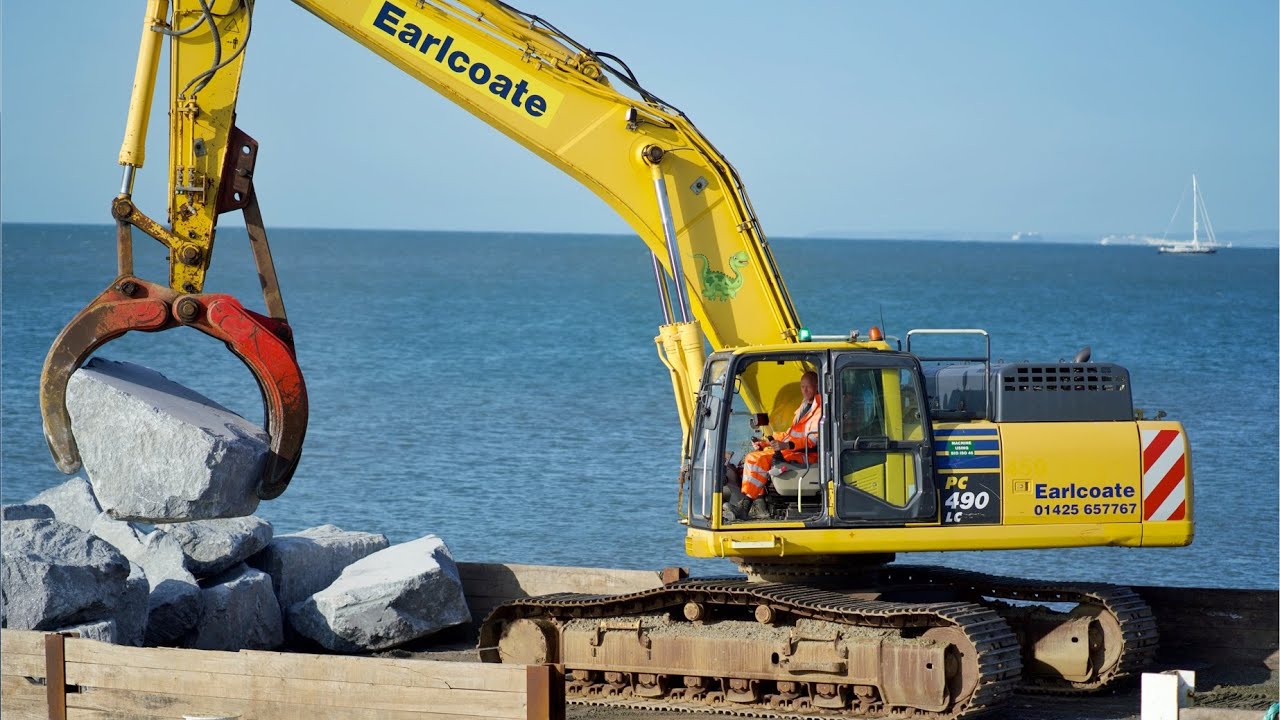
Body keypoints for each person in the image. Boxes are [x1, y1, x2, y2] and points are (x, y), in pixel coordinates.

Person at [735, 370, 821, 519]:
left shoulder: (819, 410)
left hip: (806, 455)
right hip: (794, 450)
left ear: (817, 386)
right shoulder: (805, 406)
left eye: (808, 386)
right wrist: (766, 442)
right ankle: (759, 506)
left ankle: (746, 505)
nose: (804, 390)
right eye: (802, 387)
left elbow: (811, 440)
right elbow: (789, 434)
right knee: (751, 457)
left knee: (760, 460)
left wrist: (786, 446)